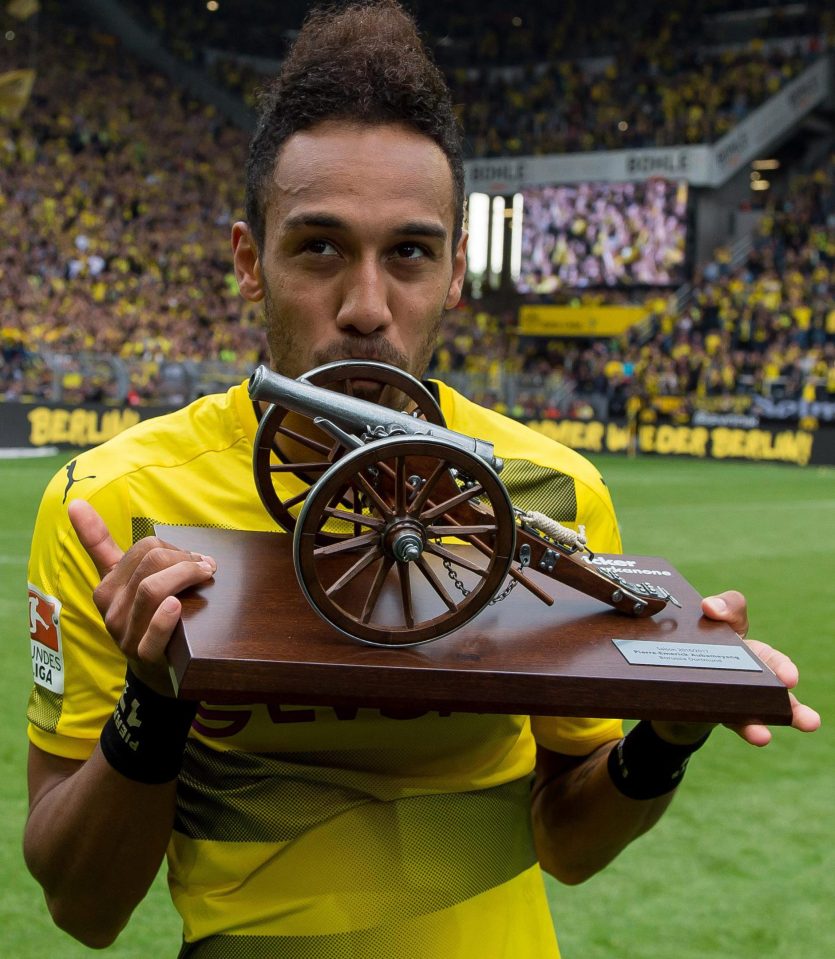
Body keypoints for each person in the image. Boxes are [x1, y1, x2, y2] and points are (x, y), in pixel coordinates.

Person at [23, 2, 819, 957]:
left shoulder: (551, 487)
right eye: (318, 247)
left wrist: (665, 735)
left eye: (407, 252)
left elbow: (566, 839)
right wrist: (153, 704)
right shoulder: (114, 500)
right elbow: (83, 907)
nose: (365, 308)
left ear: (454, 272)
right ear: (249, 262)